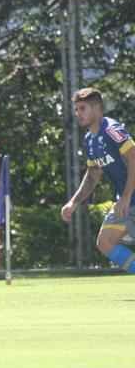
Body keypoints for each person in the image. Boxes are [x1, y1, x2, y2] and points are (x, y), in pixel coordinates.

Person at [61, 87, 135, 271]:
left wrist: (125, 197)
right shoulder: (89, 140)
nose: (78, 113)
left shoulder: (111, 130)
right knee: (105, 242)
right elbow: (93, 174)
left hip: (128, 199)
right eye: (76, 109)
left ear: (97, 107)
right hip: (127, 202)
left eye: (83, 108)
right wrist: (73, 202)